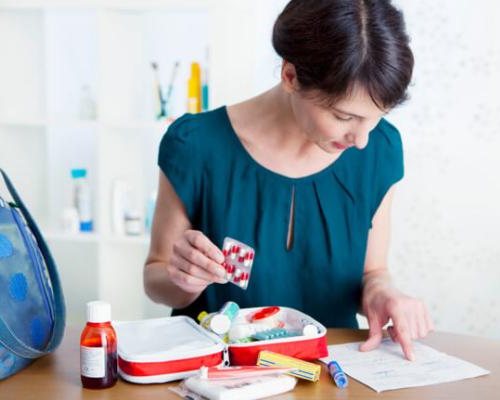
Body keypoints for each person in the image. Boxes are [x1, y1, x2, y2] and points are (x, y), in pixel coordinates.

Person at [144, 0, 433, 361]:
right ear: (290, 76)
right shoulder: (194, 145)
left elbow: (373, 271)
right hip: (217, 373)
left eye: (375, 117)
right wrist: (183, 278)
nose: (360, 139)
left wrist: (384, 293)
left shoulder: (380, 149)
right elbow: (155, 279)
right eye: (344, 116)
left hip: (330, 371)